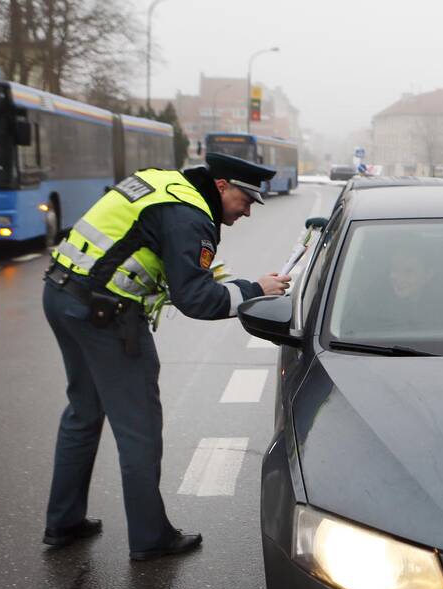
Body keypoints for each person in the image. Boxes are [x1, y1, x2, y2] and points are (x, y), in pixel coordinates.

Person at [42, 152, 291, 560]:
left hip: (60, 293)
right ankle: (149, 537)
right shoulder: (191, 215)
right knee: (138, 426)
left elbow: (165, 255)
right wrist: (253, 291)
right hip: (107, 314)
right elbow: (193, 296)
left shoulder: (165, 183)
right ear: (222, 186)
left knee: (83, 412)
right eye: (245, 200)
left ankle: (64, 521)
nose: (247, 212)